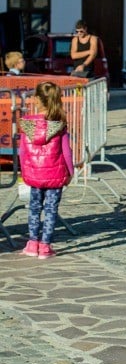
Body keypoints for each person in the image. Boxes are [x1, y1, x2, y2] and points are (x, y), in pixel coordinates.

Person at [19, 81, 73, 258]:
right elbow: (66, 152)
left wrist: (24, 171)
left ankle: (32, 243)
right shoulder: (59, 126)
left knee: (34, 208)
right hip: (55, 175)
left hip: (34, 174)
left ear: (36, 100)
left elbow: (22, 152)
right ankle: (45, 246)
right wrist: (70, 173)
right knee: (51, 210)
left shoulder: (27, 125)